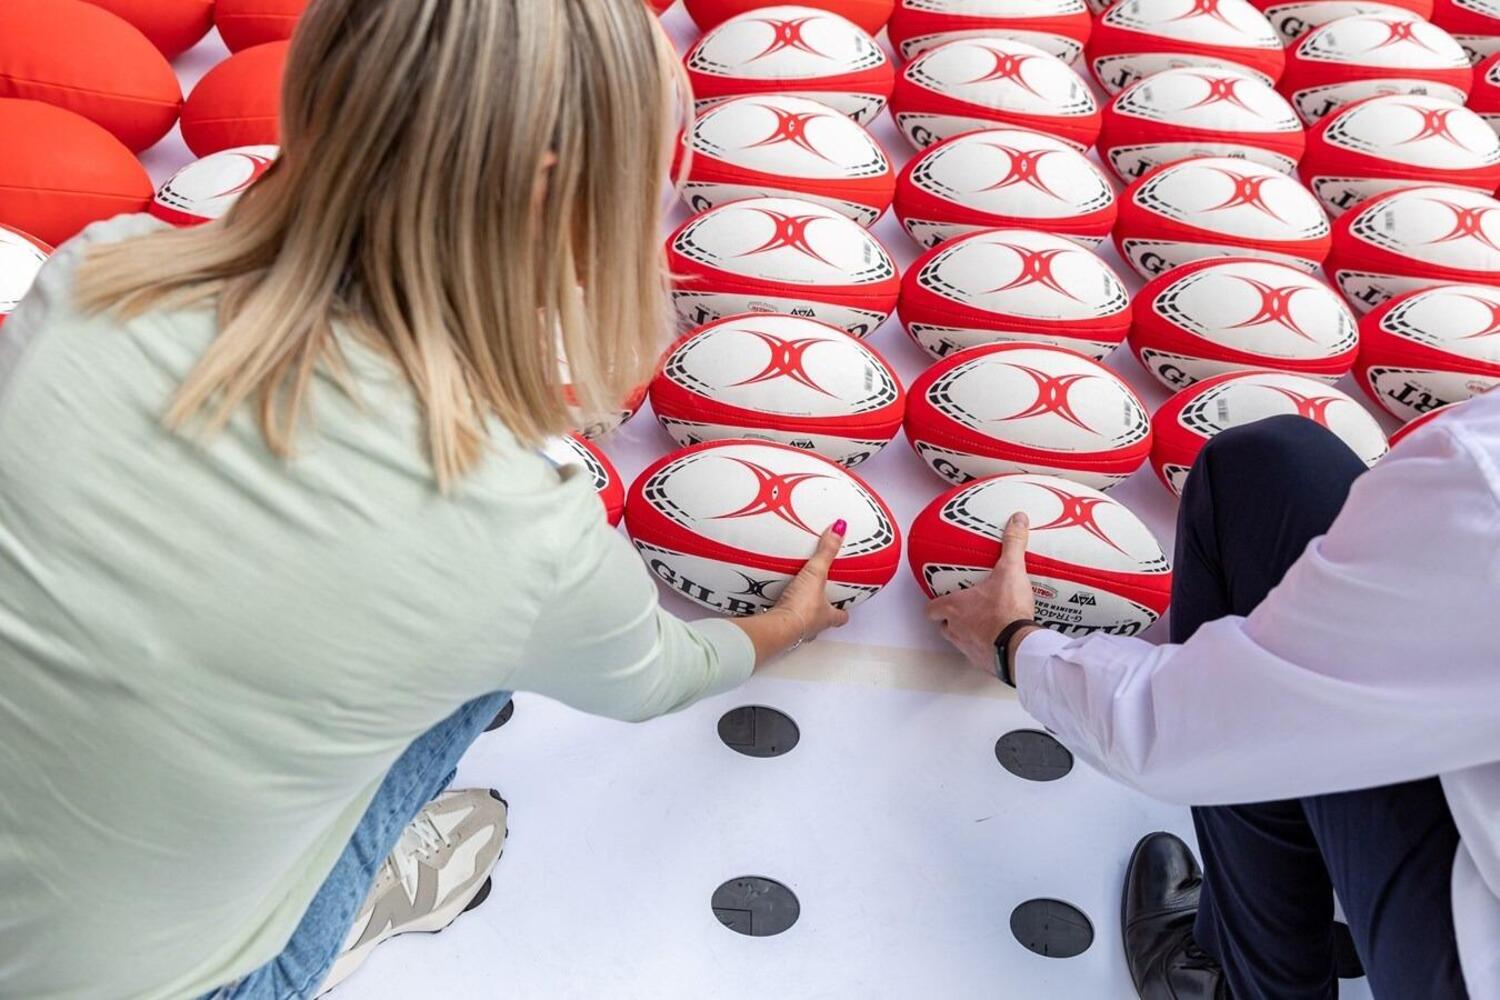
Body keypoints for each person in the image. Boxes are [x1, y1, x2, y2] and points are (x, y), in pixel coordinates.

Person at [0, 3, 853, 998]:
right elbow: (652, 678)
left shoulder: (91, 281)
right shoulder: (519, 525)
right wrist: (774, 628)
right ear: (551, 193)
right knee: (473, 665)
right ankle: (354, 912)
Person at [929, 398, 1500, 1000]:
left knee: (1256, 480)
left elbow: (1198, 728)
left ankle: (1246, 982)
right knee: (1279, 473)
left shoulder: (1484, 474)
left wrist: (1014, 644)